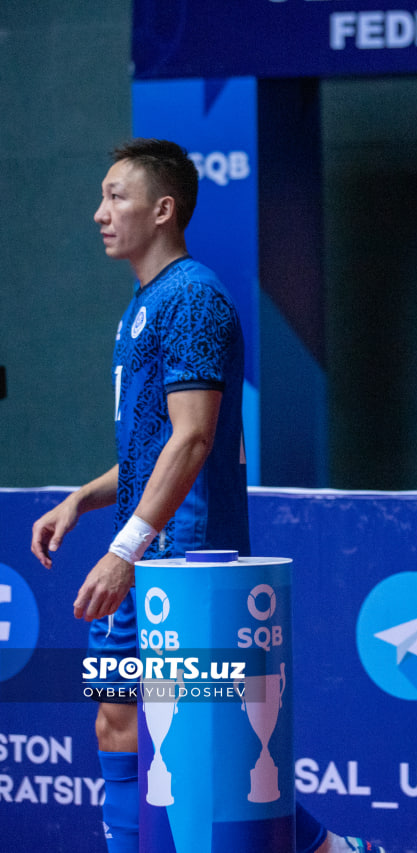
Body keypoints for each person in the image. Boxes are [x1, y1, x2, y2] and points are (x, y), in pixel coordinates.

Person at [30, 138, 383, 853]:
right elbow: (149, 446)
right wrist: (82, 500)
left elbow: (192, 439)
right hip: (141, 551)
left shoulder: (193, 297)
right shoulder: (145, 304)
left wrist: (127, 547)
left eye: (115, 196)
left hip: (186, 562)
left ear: (163, 209)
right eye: (100, 197)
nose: (100, 212)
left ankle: (331, 851)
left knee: (210, 748)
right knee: (116, 718)